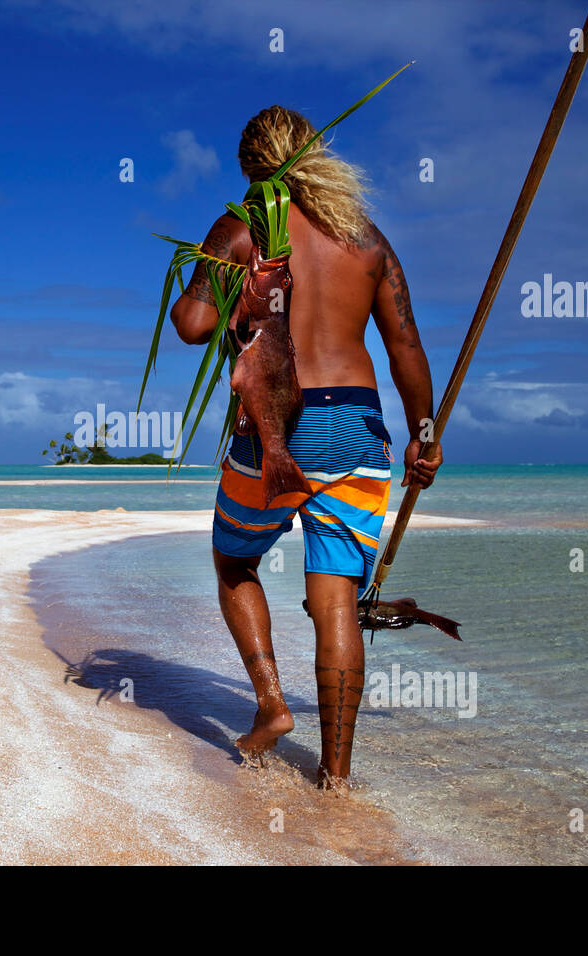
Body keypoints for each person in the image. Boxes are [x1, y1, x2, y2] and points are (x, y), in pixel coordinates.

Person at [169, 105, 443, 788]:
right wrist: (425, 434)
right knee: (336, 597)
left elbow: (192, 326)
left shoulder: (240, 229)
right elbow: (405, 343)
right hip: (354, 421)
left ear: (254, 165)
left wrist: (206, 274)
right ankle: (338, 778)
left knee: (234, 562)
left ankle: (270, 705)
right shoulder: (368, 238)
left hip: (277, 421)